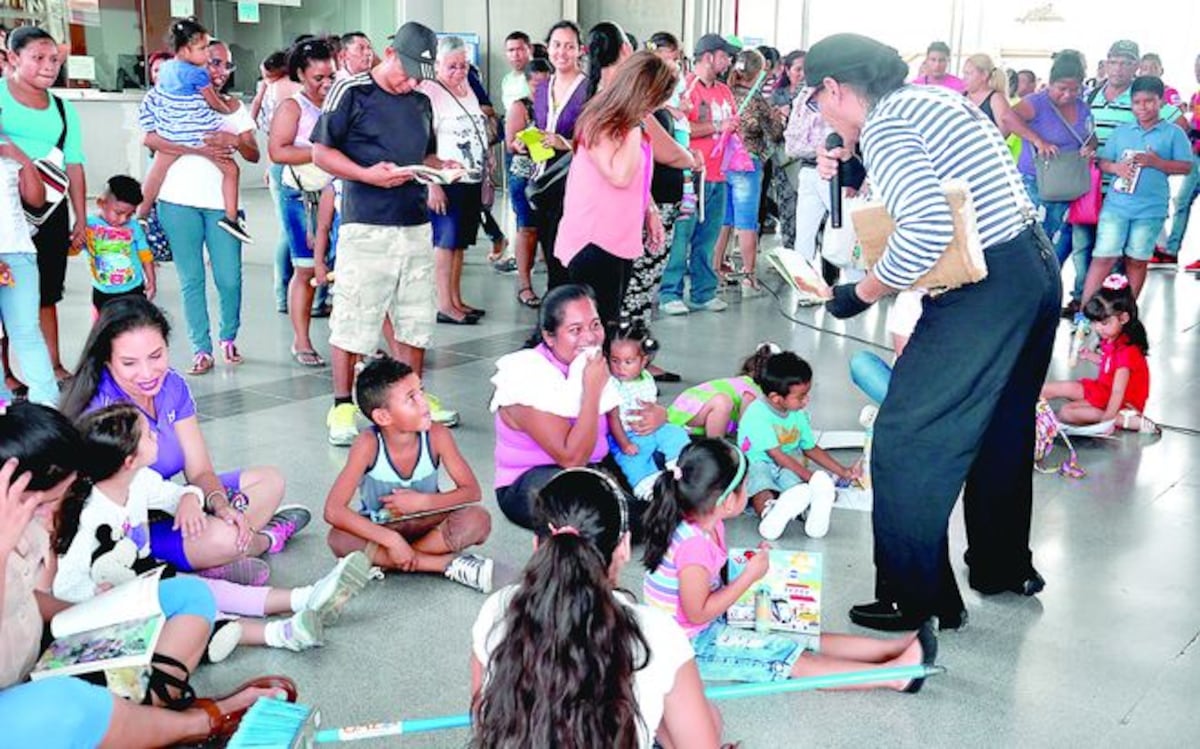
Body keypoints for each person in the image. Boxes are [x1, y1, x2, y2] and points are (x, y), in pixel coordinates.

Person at [808, 33, 1060, 630]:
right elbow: (943, 179)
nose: (817, 111)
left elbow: (922, 230)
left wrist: (861, 293)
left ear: (835, 90)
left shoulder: (889, 128)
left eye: (815, 99)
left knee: (905, 438)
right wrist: (856, 161)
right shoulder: (931, 102)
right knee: (1001, 427)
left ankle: (918, 601)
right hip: (1032, 270)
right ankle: (1001, 567)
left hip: (984, 289)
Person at [0, 401, 298, 746]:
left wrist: (90, 617)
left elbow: (29, 598)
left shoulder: (27, 520)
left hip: (32, 657)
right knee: (66, 705)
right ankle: (196, 724)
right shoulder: (12, 526)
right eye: (43, 503)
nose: (53, 512)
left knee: (190, 597)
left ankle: (151, 708)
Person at [643, 439, 938, 691]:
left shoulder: (707, 522)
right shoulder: (692, 544)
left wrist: (750, 570)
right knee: (791, 657)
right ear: (728, 501)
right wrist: (749, 577)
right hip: (692, 646)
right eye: (746, 485)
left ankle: (892, 650)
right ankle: (896, 676)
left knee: (801, 634)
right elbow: (697, 613)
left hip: (709, 624)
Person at [471, 468, 725, 749]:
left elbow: (486, 718)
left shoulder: (498, 609)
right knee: (708, 718)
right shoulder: (657, 632)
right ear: (624, 547)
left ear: (537, 545)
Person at [60, 298, 306, 584]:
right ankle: (262, 540)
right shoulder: (101, 411)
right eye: (129, 363)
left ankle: (215, 553)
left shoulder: (173, 386)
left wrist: (219, 504)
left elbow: (200, 471)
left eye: (156, 355)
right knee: (226, 537)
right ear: (107, 360)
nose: (148, 372)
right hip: (133, 526)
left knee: (270, 480)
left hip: (175, 502)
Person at [313, 21, 461, 446]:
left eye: (420, 74)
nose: (411, 81)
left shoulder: (420, 102)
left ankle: (412, 395)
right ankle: (341, 405)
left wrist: (440, 166)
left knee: (415, 318)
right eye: (408, 69)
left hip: (414, 223)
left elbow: (424, 153)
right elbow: (321, 151)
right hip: (367, 224)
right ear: (390, 52)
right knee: (354, 317)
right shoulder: (352, 91)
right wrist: (365, 175)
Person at [490, 285, 661, 531]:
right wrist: (591, 392)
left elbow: (627, 411)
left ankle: (648, 513)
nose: (590, 337)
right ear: (549, 336)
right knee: (586, 505)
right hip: (533, 480)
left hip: (594, 465)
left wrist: (657, 416)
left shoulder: (593, 362)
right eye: (575, 330)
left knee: (675, 461)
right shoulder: (526, 374)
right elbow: (572, 459)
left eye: (595, 325)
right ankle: (650, 516)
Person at [323, 356, 494, 593]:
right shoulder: (368, 444)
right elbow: (333, 510)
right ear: (383, 417)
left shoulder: (437, 435)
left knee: (478, 519)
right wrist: (391, 541)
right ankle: (443, 564)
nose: (424, 403)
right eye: (411, 398)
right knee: (338, 538)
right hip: (384, 529)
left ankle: (386, 561)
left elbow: (471, 492)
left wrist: (422, 502)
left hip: (429, 525)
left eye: (421, 392)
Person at [140, 38, 259, 375]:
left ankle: (228, 337)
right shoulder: (169, 98)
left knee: (229, 278)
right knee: (191, 279)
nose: (219, 71)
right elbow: (150, 139)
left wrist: (233, 140)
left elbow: (253, 153)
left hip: (222, 208)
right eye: (213, 62)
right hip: (177, 202)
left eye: (225, 64)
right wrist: (199, 149)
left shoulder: (233, 107)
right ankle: (201, 348)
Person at [1065, 40, 1187, 318]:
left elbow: (1182, 142)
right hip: (1093, 189)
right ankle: (1085, 308)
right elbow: (1086, 137)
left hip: (1139, 200)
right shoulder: (1092, 94)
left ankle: (1118, 316)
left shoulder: (1146, 99)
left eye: (1126, 62)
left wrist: (1160, 160)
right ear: (1106, 62)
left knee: (1130, 259)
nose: (1118, 68)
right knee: (1089, 251)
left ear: (1135, 66)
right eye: (1114, 61)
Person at [555, 49, 674, 328]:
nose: (655, 108)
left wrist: (650, 210)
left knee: (608, 322)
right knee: (595, 330)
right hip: (593, 240)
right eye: (654, 100)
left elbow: (637, 174)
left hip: (620, 236)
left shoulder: (632, 123)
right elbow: (619, 175)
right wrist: (635, 125)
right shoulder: (602, 120)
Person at [0, 26, 86, 384]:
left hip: (48, 209)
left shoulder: (63, 109)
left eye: (54, 59)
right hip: (5, 209)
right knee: (6, 289)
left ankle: (51, 365)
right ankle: (7, 374)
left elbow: (75, 163)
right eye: (38, 58)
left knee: (46, 290)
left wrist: (80, 217)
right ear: (13, 58)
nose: (49, 66)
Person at [135, 17, 249, 243]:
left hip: (170, 131)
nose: (206, 54)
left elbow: (154, 102)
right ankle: (231, 217)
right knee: (231, 170)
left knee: (156, 172)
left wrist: (153, 123)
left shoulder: (166, 70)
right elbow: (213, 102)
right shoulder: (198, 74)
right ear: (186, 50)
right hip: (198, 134)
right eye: (203, 48)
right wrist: (226, 111)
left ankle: (142, 213)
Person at [1085, 75, 1192, 301]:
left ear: (1161, 102)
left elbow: (1186, 167)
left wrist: (1158, 163)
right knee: (1103, 257)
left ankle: (1129, 313)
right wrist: (1116, 168)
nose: (1143, 107)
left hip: (1151, 209)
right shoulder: (1122, 131)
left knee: (1137, 260)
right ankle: (1085, 311)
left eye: (1149, 101)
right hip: (1116, 206)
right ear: (1131, 104)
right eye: (1137, 102)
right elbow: (1103, 162)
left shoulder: (1174, 133)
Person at [659, 33, 740, 316]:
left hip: (719, 174)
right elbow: (681, 127)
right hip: (691, 175)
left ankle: (703, 291)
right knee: (682, 235)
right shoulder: (686, 87)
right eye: (724, 56)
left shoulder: (724, 91)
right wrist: (719, 125)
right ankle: (670, 292)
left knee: (709, 236)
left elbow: (730, 125)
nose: (728, 61)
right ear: (708, 56)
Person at [736, 351, 857, 540]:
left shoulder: (798, 414)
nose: (806, 401)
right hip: (757, 462)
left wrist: (844, 471)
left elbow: (810, 448)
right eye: (801, 397)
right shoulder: (757, 414)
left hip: (788, 463)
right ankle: (770, 516)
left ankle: (809, 514)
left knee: (797, 488)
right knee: (760, 483)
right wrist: (811, 477)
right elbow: (776, 455)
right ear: (776, 398)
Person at [268, 38, 337, 367]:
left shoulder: (337, 101)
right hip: (301, 197)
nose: (325, 84)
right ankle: (302, 340)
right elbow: (277, 151)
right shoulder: (292, 107)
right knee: (306, 268)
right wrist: (319, 153)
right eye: (318, 79)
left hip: (336, 195)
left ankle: (353, 343)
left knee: (345, 269)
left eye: (330, 77)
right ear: (300, 74)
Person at [420, 35, 490, 325]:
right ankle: (444, 303)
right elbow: (423, 143)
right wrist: (432, 184)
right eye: (452, 66)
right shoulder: (430, 92)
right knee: (445, 243)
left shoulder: (468, 87)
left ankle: (456, 297)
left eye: (463, 65)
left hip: (470, 177)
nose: (459, 72)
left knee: (460, 243)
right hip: (446, 180)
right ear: (437, 64)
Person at [1041, 274, 1156, 434]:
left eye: (1104, 323)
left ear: (1123, 318)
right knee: (1049, 389)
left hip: (1122, 402)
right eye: (1095, 322)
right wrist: (1091, 356)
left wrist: (1106, 422)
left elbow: (1118, 392)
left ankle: (1123, 420)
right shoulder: (1112, 336)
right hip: (1103, 389)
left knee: (1066, 413)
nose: (1098, 328)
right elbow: (1109, 362)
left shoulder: (1128, 352)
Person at [711, 48, 782, 294]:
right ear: (759, 72)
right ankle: (749, 279)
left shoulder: (723, 93)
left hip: (722, 164)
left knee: (723, 221)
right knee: (746, 224)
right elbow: (776, 134)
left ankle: (716, 272)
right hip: (747, 166)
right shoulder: (758, 101)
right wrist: (778, 118)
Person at [0, 105, 56, 408]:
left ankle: (47, 406)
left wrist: (21, 159)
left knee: (26, 330)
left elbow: (36, 199)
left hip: (19, 251)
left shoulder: (10, 146)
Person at [1011, 50, 1093, 255]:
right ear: (1050, 82)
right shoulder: (1035, 102)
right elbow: (1008, 118)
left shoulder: (1083, 108)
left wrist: (1090, 147)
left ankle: (1050, 278)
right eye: (1062, 88)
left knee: (1059, 236)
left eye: (1074, 89)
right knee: (1034, 237)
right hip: (1035, 180)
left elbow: (1092, 136)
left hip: (1068, 184)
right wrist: (1038, 141)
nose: (1067, 94)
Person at [528, 21, 589, 290]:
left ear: (580, 50)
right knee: (550, 252)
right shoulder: (542, 87)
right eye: (556, 45)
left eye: (569, 46)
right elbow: (541, 127)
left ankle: (570, 315)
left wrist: (563, 142)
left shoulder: (589, 89)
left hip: (575, 182)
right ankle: (555, 319)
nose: (561, 52)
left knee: (571, 255)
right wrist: (529, 139)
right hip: (544, 181)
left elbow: (598, 141)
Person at [605, 321, 691, 497]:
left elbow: (651, 405)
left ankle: (680, 468)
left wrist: (660, 419)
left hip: (652, 428)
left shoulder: (646, 379)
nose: (620, 367)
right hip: (626, 434)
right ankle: (648, 488)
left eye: (628, 361)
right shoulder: (611, 383)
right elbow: (612, 418)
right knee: (633, 461)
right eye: (615, 361)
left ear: (644, 361)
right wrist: (624, 444)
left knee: (676, 434)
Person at [505, 57, 551, 308]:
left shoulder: (556, 105)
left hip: (550, 176)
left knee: (549, 231)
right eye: (535, 85)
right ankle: (524, 284)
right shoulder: (520, 107)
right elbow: (510, 143)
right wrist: (522, 144)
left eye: (545, 84)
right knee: (527, 230)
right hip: (525, 175)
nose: (540, 90)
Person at [82, 175, 156, 315]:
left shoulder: (134, 227)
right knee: (106, 329)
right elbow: (74, 248)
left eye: (130, 214)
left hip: (133, 289)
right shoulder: (88, 225)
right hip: (102, 291)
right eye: (119, 213)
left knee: (133, 327)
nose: (123, 219)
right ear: (101, 203)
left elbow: (145, 254)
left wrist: (151, 280)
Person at [667, 342, 773, 438]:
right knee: (722, 402)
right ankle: (716, 446)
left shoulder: (740, 382)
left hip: (681, 410)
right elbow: (746, 424)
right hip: (688, 416)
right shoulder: (753, 392)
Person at [962, 53, 1048, 147]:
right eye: (964, 74)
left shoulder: (996, 99)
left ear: (984, 75)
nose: (964, 78)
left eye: (969, 74)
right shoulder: (961, 96)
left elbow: (1004, 130)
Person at [1163, 52, 1200, 272]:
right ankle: (1171, 250)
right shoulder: (1196, 96)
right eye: (1196, 66)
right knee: (1182, 200)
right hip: (1195, 156)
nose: (1197, 70)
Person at [771, 49, 808, 248]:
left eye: (806, 70)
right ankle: (790, 252)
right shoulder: (777, 95)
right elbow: (770, 131)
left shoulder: (815, 94)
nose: (802, 74)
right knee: (787, 206)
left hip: (809, 161)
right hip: (784, 159)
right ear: (786, 70)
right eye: (798, 69)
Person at [500, 31, 532, 113]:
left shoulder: (539, 77)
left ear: (530, 49)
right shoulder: (506, 80)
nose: (515, 54)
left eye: (520, 49)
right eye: (511, 50)